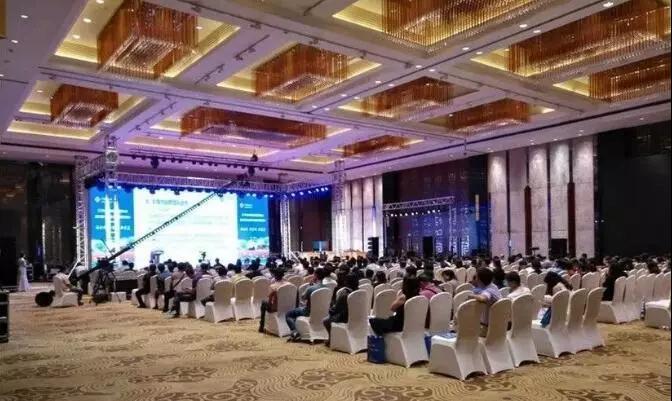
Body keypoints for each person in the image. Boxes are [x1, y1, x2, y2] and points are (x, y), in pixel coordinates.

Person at [286, 268, 328, 341]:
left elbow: (303, 297)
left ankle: (294, 332)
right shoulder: (327, 288)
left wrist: (309, 285)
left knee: (288, 314)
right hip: (322, 312)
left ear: (315, 275)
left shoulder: (311, 288)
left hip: (308, 312)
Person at [323, 273, 359, 345]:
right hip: (359, 316)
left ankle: (331, 339)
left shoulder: (345, 294)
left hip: (345, 318)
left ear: (346, 282)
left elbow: (336, 310)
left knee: (326, 321)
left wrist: (330, 310)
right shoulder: (360, 291)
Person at [467, 267, 502, 337]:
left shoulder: (488, 291)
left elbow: (483, 298)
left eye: (476, 277)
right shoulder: (493, 286)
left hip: (488, 327)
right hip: (498, 323)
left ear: (480, 279)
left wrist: (471, 296)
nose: (475, 279)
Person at [258, 268, 288, 333]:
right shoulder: (289, 284)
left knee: (263, 302)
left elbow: (269, 299)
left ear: (275, 276)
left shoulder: (273, 286)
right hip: (287, 306)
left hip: (275, 308)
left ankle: (261, 326)